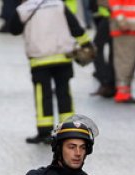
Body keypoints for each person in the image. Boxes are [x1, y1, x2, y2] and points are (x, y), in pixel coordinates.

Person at [8, 0, 92, 144]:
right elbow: (76, 28)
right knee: (64, 93)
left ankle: (45, 133)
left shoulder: (24, 9)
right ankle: (69, 130)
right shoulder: (58, 4)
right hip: (63, 57)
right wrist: (87, 44)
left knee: (43, 97)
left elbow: (13, 29)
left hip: (39, 60)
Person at [88, 0, 116, 98]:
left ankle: (106, 82)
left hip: (110, 16)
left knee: (96, 48)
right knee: (111, 51)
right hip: (105, 15)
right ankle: (109, 84)